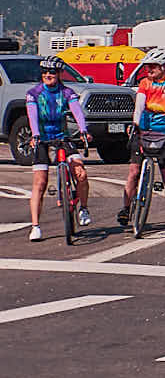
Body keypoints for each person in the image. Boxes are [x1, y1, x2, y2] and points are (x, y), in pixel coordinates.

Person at [118, 48, 165, 233]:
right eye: (147, 66)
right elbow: (139, 106)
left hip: (163, 134)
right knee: (133, 171)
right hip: (142, 131)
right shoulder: (144, 83)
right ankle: (126, 208)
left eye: (153, 66)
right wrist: (134, 123)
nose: (148, 69)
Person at [25, 56, 91, 242]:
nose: (48, 75)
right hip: (42, 139)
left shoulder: (67, 92)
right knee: (40, 182)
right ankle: (35, 226)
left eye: (52, 72)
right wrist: (36, 134)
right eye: (45, 72)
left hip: (63, 138)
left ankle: (83, 209)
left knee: (81, 173)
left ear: (59, 74)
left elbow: (77, 111)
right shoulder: (34, 94)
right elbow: (32, 116)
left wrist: (84, 130)